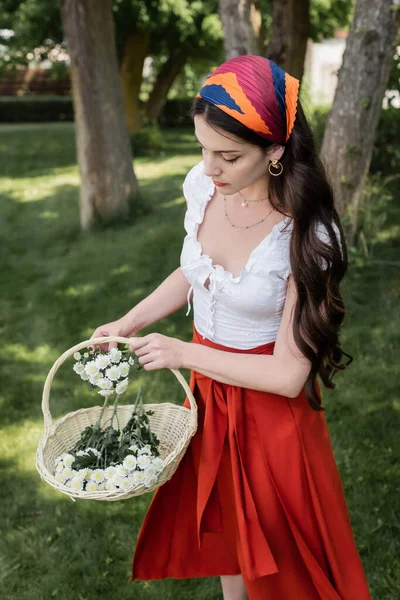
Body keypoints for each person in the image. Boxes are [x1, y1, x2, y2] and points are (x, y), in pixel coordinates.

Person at [90, 55, 372, 600]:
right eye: (202, 148)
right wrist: (130, 321)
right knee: (228, 536)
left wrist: (182, 353)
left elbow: (290, 375)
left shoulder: (308, 237)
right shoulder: (204, 187)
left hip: (270, 415)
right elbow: (196, 271)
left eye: (228, 155)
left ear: (275, 150)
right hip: (210, 399)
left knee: (284, 562)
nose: (210, 168)